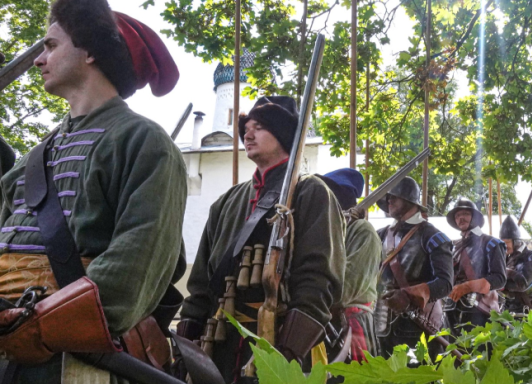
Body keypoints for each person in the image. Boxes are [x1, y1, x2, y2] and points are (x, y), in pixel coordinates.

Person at [0, 0, 186, 382]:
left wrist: (42, 329)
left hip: (71, 359)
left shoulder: (145, 142)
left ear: (90, 52)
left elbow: (139, 259)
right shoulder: (33, 158)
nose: (39, 60)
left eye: (50, 45)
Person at [179, 96, 345, 381]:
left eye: (260, 127)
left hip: (284, 345)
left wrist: (284, 357)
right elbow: (202, 284)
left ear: (282, 135)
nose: (248, 133)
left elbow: (318, 281)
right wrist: (187, 342)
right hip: (221, 345)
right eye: (247, 127)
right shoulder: (226, 202)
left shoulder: (311, 193)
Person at [375, 177, 453, 358]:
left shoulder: (433, 236)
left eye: (394, 196)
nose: (389, 200)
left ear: (409, 199)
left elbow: (445, 283)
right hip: (380, 320)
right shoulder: (379, 234)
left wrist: (407, 294)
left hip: (418, 323)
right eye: (388, 198)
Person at [317, 168, 381, 361]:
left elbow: (347, 288)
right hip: (325, 320)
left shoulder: (364, 232)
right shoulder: (329, 234)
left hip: (350, 324)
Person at [445, 198, 506, 331]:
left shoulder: (491, 243)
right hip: (452, 309)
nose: (461, 218)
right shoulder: (454, 247)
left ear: (474, 218)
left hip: (480, 311)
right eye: (457, 215)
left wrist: (467, 286)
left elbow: (500, 279)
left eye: (465, 214)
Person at [498, 216, 532, 316]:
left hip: (527, 312)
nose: (504, 246)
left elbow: (523, 285)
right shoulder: (507, 258)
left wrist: (507, 273)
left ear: (516, 241)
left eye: (506, 242)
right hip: (507, 311)